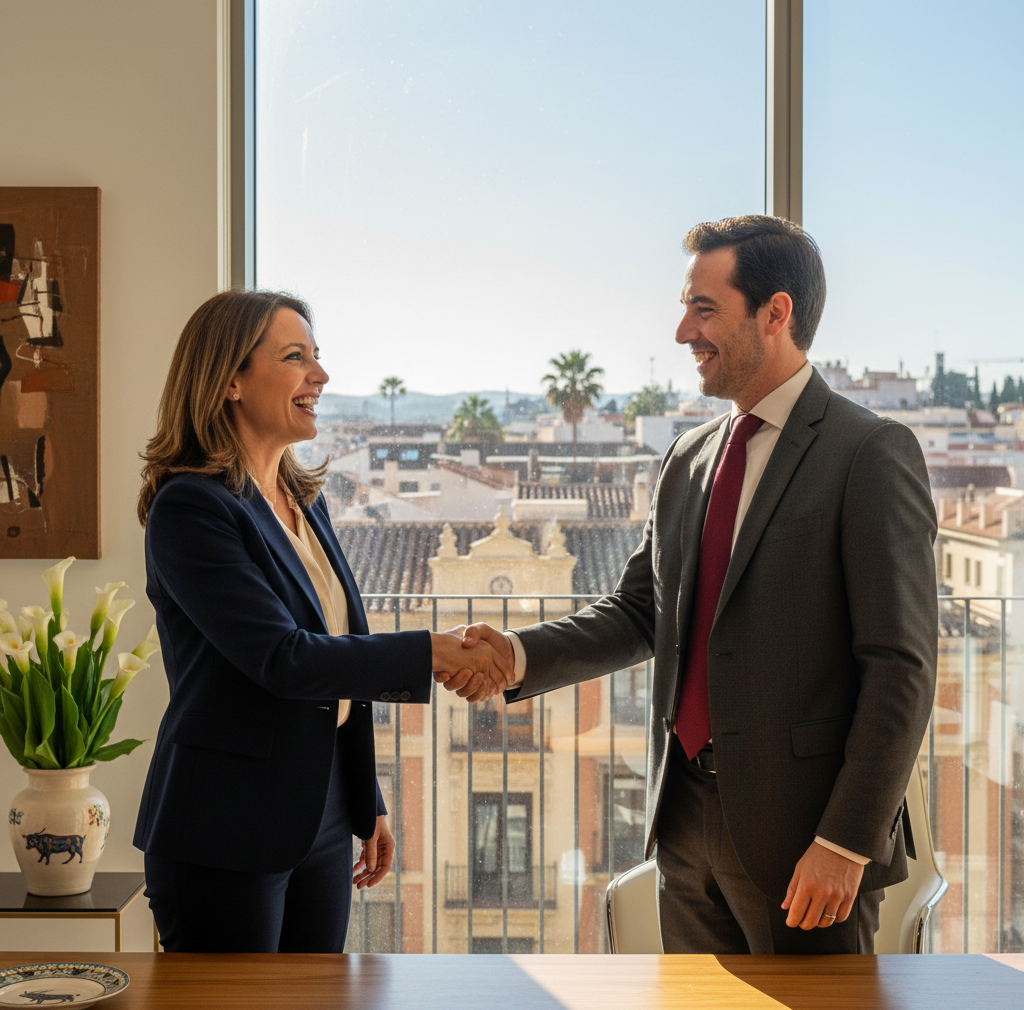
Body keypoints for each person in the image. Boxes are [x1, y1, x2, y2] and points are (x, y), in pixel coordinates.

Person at [442, 215, 938, 954]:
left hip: (805, 839)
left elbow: (902, 666)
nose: (682, 333)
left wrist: (845, 841)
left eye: (704, 310)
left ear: (776, 313)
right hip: (683, 825)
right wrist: (514, 654)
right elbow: (641, 610)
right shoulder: (688, 456)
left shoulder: (869, 451)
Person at [134, 289, 510, 953]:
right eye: (295, 357)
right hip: (225, 822)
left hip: (324, 809)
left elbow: (340, 650)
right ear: (229, 380)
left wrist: (365, 799)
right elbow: (285, 659)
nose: (321, 375)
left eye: (317, 355)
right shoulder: (190, 509)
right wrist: (432, 650)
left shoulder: (304, 501)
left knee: (319, 996)